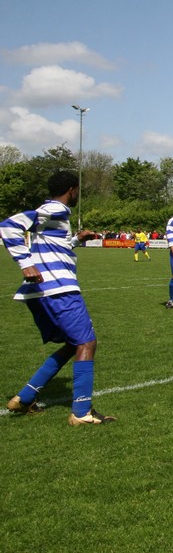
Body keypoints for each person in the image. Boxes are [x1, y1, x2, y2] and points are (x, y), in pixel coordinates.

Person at [1, 171, 115, 425]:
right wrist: (25, 263)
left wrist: (76, 239)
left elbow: (53, 247)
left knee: (74, 344)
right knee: (87, 343)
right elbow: (8, 225)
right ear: (72, 190)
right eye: (78, 190)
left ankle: (24, 398)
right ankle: (81, 412)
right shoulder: (56, 210)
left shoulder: (54, 214)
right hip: (58, 289)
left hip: (40, 292)